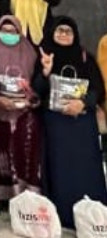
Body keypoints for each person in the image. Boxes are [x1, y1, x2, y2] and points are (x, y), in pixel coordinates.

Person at [32, 16, 107, 228]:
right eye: (60, 30)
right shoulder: (45, 56)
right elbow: (37, 89)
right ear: (52, 33)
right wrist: (45, 71)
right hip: (56, 125)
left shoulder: (85, 58)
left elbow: (98, 89)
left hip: (82, 124)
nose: (64, 34)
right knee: (60, 170)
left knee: (85, 170)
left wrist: (82, 103)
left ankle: (93, 216)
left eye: (68, 31)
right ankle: (63, 215)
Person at [0, 16, 41, 204]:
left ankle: (27, 196)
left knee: (24, 153)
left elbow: (38, 85)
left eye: (13, 31)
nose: (8, 34)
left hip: (24, 114)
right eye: (4, 31)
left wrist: (29, 99)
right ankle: (4, 197)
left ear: (19, 32)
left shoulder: (30, 53)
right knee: (0, 154)